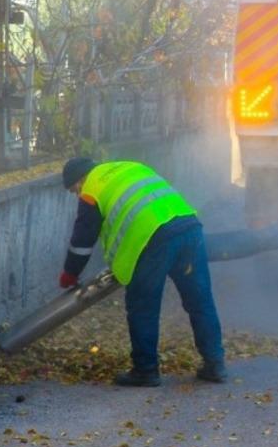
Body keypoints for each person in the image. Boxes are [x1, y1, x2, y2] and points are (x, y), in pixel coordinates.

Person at [59, 157, 226, 387]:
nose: (77, 195)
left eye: (73, 190)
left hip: (154, 238)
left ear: (80, 179)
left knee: (143, 306)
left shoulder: (91, 189)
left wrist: (70, 273)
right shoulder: (130, 167)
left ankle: (146, 370)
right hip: (189, 227)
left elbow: (83, 239)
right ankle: (215, 364)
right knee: (200, 301)